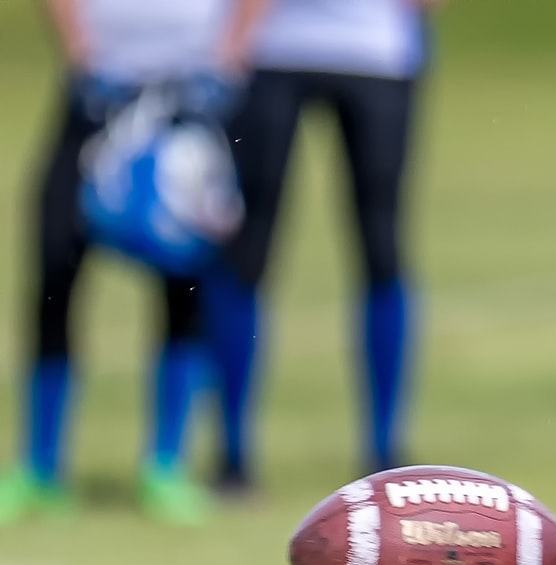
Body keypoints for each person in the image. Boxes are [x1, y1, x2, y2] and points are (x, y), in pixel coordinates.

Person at [3, 0, 268, 525]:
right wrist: (82, 55)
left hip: (192, 105)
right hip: (98, 98)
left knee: (186, 278)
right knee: (56, 266)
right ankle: (39, 468)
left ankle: (165, 465)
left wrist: (228, 61)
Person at [204, 0, 443, 491]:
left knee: (380, 249)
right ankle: (233, 452)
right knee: (246, 252)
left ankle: (384, 451)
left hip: (374, 55)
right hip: (273, 50)